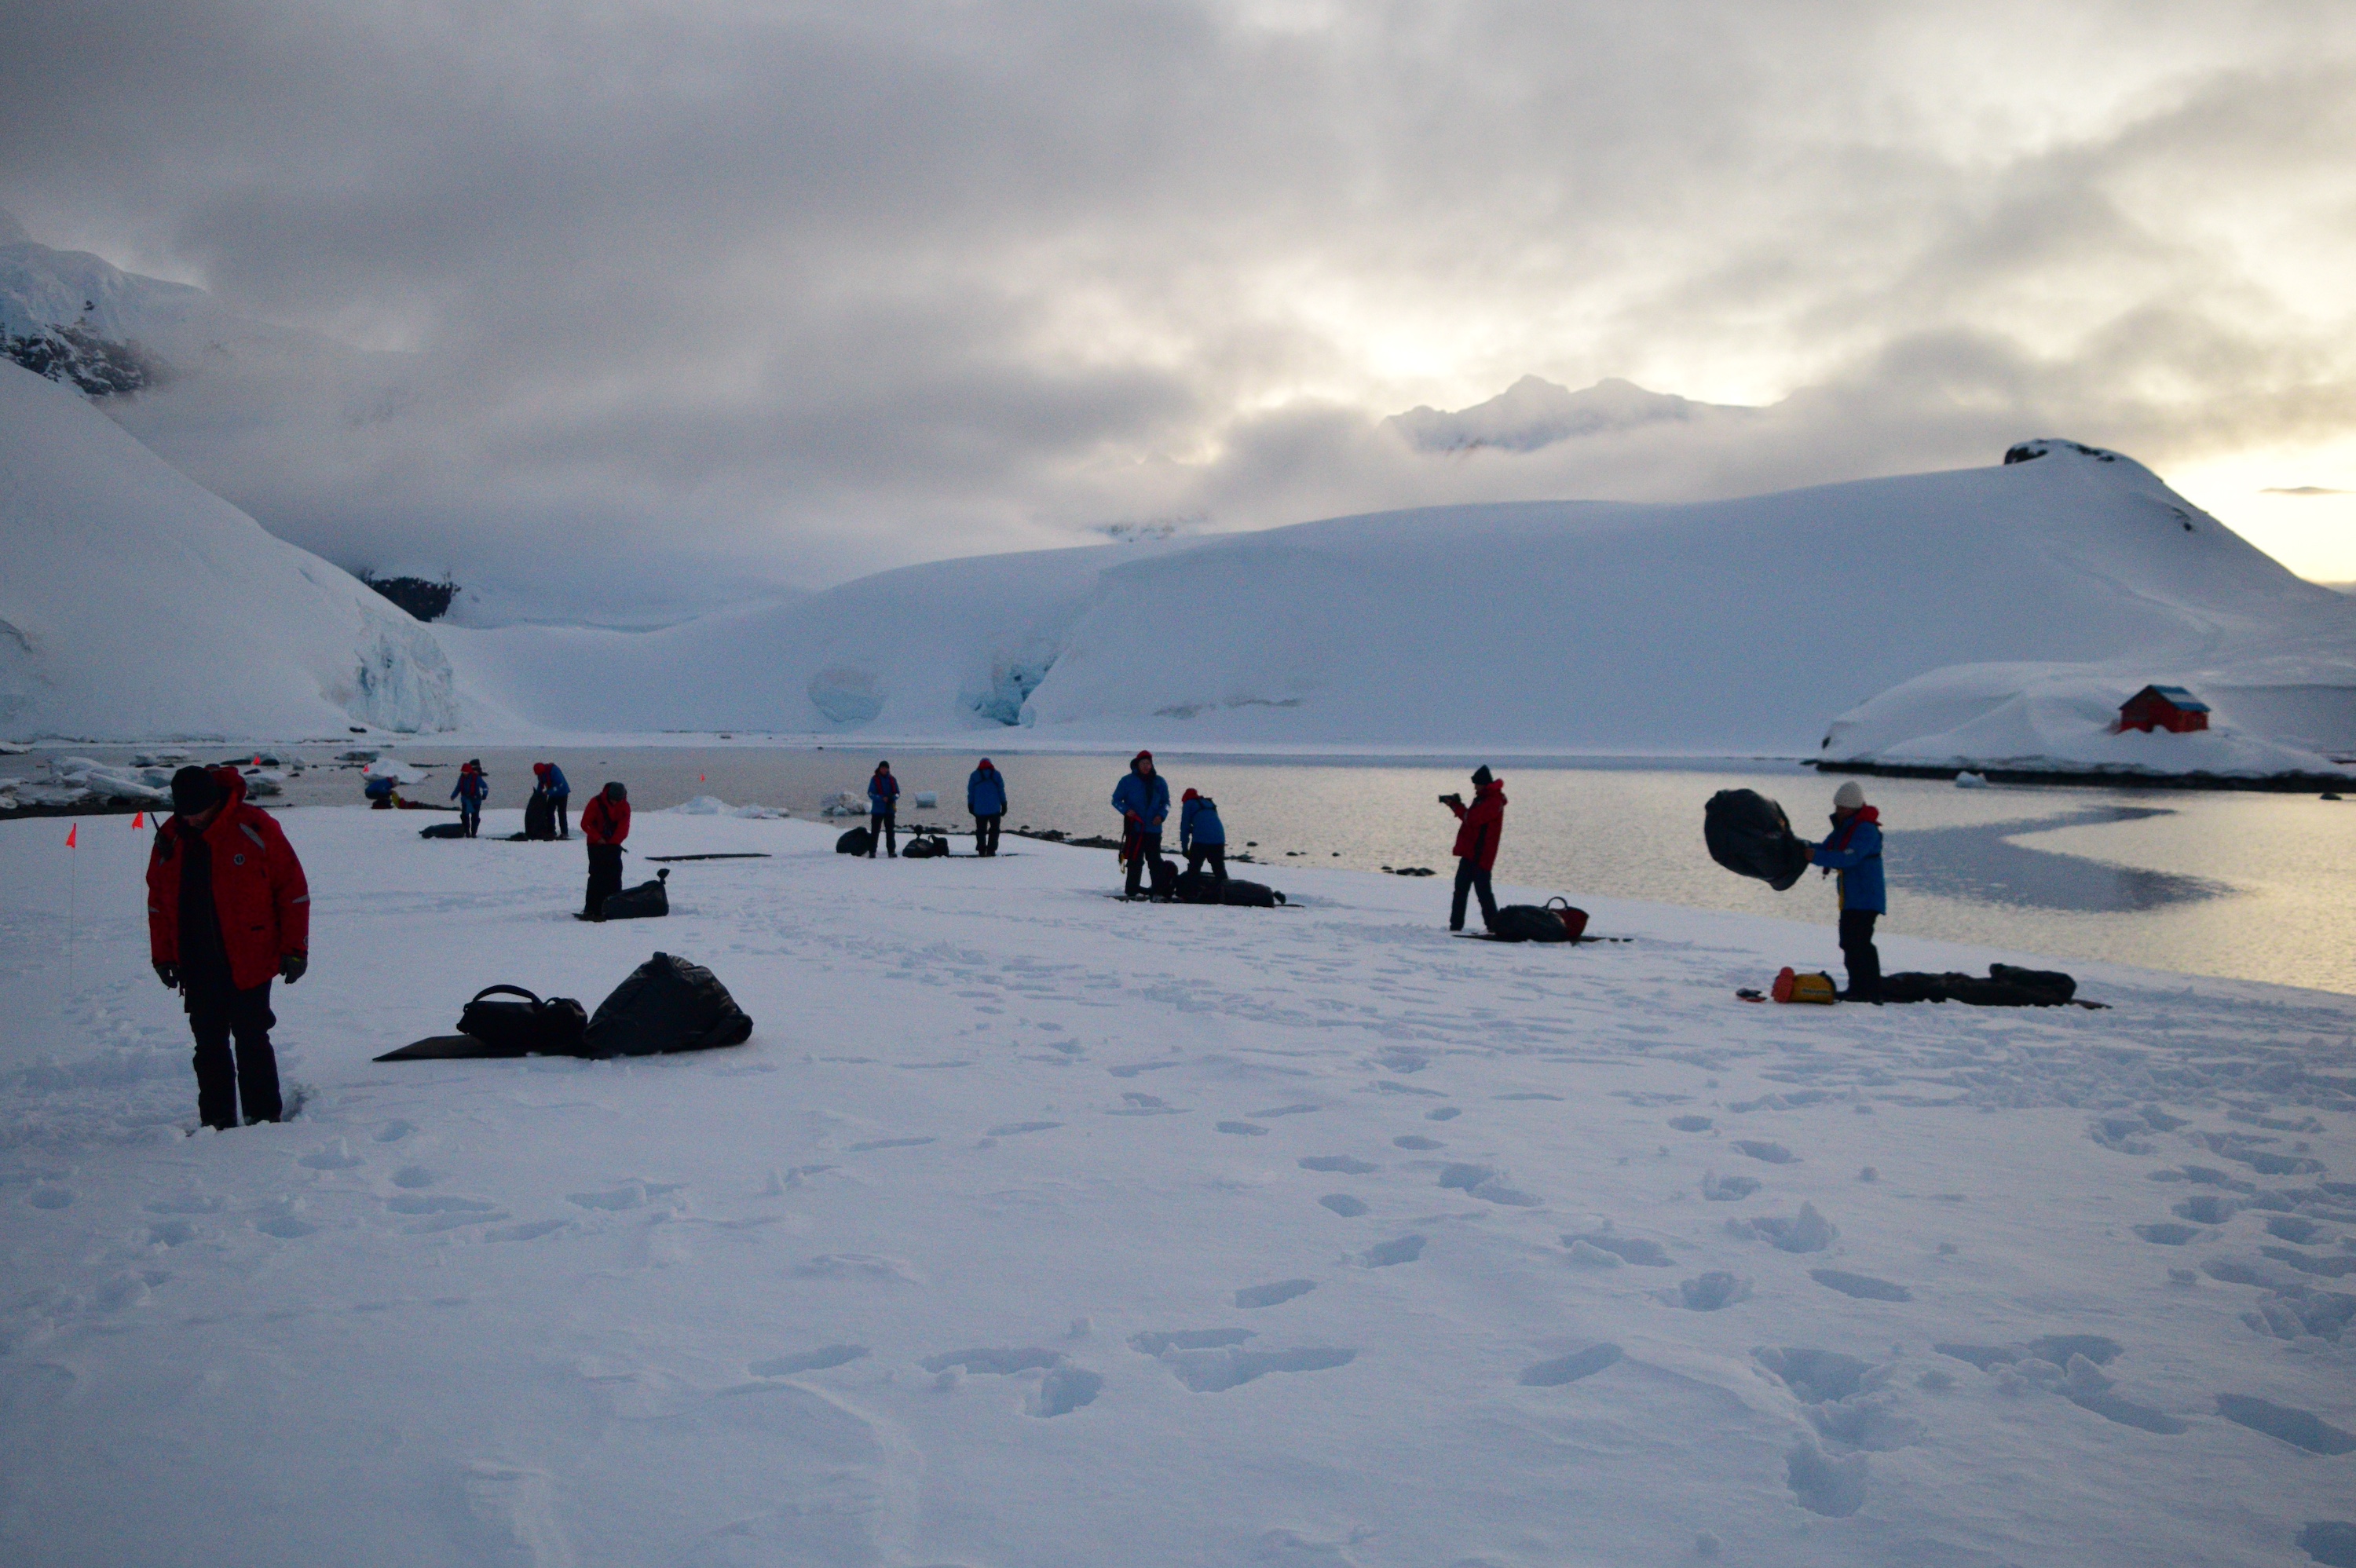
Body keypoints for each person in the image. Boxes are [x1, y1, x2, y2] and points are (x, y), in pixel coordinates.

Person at [146, 766, 309, 1130]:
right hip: (196, 962)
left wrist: (296, 949)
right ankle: (218, 1121)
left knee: (252, 1038)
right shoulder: (171, 836)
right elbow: (158, 903)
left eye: (197, 811)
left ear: (215, 802)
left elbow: (292, 890)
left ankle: (264, 1117)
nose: (191, 818)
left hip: (251, 958)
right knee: (209, 1046)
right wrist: (163, 957)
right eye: (184, 811)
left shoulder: (254, 827)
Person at [1809, 780, 1885, 1002]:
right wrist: (1803, 848)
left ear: (1854, 807)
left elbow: (1848, 858)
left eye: (1842, 808)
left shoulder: (1866, 830)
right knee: (1850, 943)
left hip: (1866, 898)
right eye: (1837, 807)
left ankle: (1869, 991)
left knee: (1859, 943)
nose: (1838, 812)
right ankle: (1858, 988)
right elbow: (1827, 848)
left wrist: (1815, 857)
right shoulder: (1846, 828)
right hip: (1851, 899)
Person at [1441, 765, 1505, 932]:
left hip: (1481, 855)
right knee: (1460, 891)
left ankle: (1494, 927)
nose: (1475, 787)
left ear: (1484, 783)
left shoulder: (1493, 800)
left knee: (1483, 893)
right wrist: (1457, 806)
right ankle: (1456, 927)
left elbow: (1473, 819)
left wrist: (1456, 806)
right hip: (1471, 853)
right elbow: (1471, 819)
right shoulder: (1483, 798)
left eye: (1477, 784)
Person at [1111, 750, 1171, 898]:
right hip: (1135, 829)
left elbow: (1167, 803)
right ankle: (1131, 891)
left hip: (1154, 829)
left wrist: (1161, 815)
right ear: (1137, 765)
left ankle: (1158, 892)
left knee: (1155, 861)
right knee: (1134, 861)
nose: (1146, 766)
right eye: (1144, 763)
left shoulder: (1160, 782)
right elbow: (1116, 800)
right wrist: (1126, 810)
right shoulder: (1127, 781)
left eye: (1149, 764)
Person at [581, 781, 631, 918]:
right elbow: (586, 823)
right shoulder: (595, 802)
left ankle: (613, 906)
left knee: (615, 876)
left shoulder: (625, 806)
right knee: (597, 876)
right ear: (608, 795)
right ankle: (592, 908)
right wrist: (598, 838)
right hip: (595, 845)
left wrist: (613, 843)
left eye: (618, 800)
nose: (615, 802)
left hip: (613, 846)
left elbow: (624, 828)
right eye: (612, 800)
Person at [1179, 787, 1227, 884]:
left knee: (1194, 868)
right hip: (1219, 838)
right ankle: (1226, 892)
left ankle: (1190, 894)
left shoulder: (1188, 804)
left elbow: (1185, 827)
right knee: (1219, 868)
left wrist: (1184, 849)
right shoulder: (1209, 803)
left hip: (1201, 841)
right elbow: (1208, 822)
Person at [968, 757, 1008, 857]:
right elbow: (1001, 791)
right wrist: (1004, 804)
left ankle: (981, 850)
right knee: (994, 830)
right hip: (994, 809)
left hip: (979, 809)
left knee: (981, 830)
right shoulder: (996, 774)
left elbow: (971, 792)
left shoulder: (974, 775)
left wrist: (970, 804)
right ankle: (991, 850)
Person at [867, 761, 901, 858]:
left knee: (890, 831)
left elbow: (898, 793)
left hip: (890, 810)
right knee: (875, 831)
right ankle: (872, 851)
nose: (884, 770)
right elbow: (870, 793)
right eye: (883, 768)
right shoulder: (874, 779)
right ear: (879, 768)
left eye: (886, 768)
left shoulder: (892, 779)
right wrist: (881, 798)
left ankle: (891, 851)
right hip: (878, 810)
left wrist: (892, 798)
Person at [535, 762, 573, 839]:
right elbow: (540, 785)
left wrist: (549, 792)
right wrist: (538, 794)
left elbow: (560, 784)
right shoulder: (541, 775)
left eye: (540, 774)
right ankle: (551, 831)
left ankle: (564, 832)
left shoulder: (553, 770)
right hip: (553, 794)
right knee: (549, 811)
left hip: (562, 793)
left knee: (561, 813)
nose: (539, 776)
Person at [451, 758, 488, 838]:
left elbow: (485, 787)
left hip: (476, 801)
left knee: (475, 817)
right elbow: (458, 788)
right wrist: (453, 796)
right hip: (466, 800)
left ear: (469, 771)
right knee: (464, 816)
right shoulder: (462, 778)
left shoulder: (477, 778)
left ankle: (474, 833)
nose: (464, 773)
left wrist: (485, 795)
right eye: (463, 771)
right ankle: (467, 832)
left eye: (465, 771)